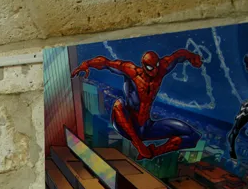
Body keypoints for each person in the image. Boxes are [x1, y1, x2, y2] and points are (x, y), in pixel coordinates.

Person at [72, 49, 202, 159]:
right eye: (150, 68)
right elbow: (106, 63)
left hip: (145, 127)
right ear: (144, 66)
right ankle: (139, 146)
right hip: (127, 126)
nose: (154, 71)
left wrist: (192, 56)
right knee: (118, 104)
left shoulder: (161, 68)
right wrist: (86, 64)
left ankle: (153, 153)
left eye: (156, 66)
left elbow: (178, 55)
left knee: (193, 135)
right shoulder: (132, 72)